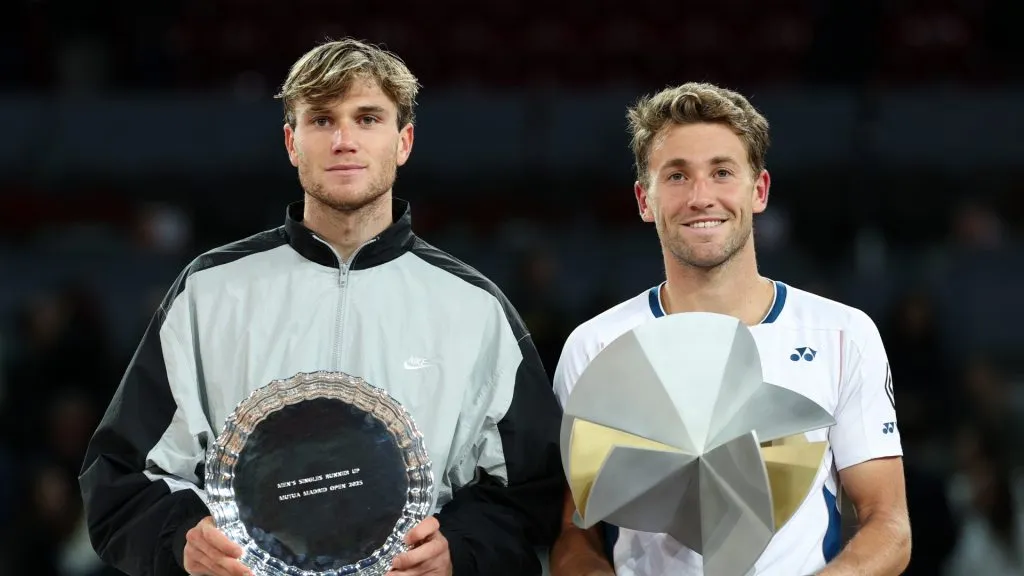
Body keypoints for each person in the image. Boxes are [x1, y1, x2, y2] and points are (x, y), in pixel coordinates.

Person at [78, 38, 565, 576]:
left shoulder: (475, 308)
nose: (344, 140)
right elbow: (120, 476)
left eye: (368, 118)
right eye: (322, 120)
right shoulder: (210, 291)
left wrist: (460, 552)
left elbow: (530, 494)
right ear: (292, 141)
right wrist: (181, 542)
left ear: (403, 141)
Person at [548, 82, 911, 576]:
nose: (701, 197)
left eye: (721, 172)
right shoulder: (594, 347)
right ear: (644, 199)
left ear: (758, 190)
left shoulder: (842, 335)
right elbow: (575, 532)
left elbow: (887, 523)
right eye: (676, 176)